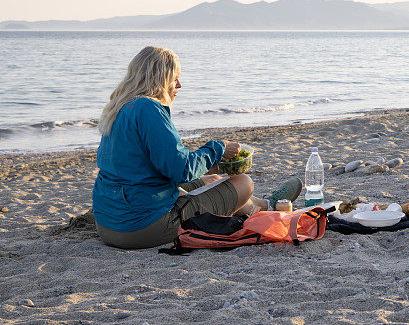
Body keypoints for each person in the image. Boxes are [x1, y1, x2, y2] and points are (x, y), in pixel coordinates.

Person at [92, 46, 302, 249]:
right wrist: (217, 149)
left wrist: (213, 165)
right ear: (160, 79)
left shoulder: (120, 107)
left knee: (212, 180)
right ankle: (267, 206)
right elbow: (180, 170)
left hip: (108, 225)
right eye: (175, 79)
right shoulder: (149, 108)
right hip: (143, 227)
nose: (179, 85)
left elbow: (149, 166)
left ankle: (265, 205)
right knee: (244, 183)